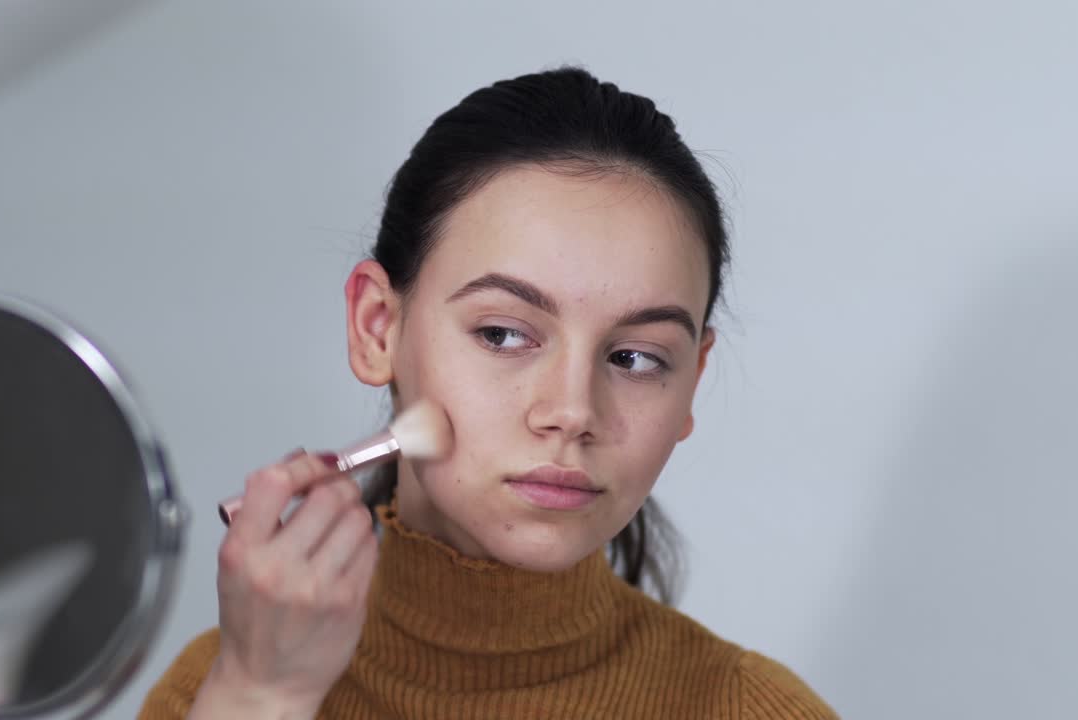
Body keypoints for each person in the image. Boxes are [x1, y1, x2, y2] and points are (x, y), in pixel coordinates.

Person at [139, 66, 837, 719]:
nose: (572, 412)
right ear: (376, 327)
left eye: (634, 358)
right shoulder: (214, 690)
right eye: (502, 335)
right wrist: (261, 695)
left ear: (693, 381)